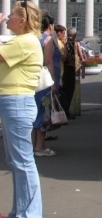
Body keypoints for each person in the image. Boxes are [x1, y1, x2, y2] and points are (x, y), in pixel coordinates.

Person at [0, 1, 44, 217]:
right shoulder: (22, 40)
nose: (7, 17)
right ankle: (21, 210)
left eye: (11, 14)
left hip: (16, 102)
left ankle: (29, 214)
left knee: (22, 162)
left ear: (22, 21)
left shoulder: (24, 41)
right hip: (14, 102)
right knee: (18, 161)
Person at [32, 15, 57, 157]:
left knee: (35, 112)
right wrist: (53, 82)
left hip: (34, 81)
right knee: (43, 112)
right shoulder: (47, 40)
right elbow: (48, 62)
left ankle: (34, 144)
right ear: (51, 25)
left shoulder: (35, 39)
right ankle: (40, 147)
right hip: (44, 82)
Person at [62, 27, 83, 119]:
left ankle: (66, 111)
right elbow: (70, 56)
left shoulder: (67, 43)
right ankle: (66, 112)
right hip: (69, 69)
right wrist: (74, 65)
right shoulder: (70, 43)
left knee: (67, 91)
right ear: (74, 35)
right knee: (68, 91)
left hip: (67, 69)